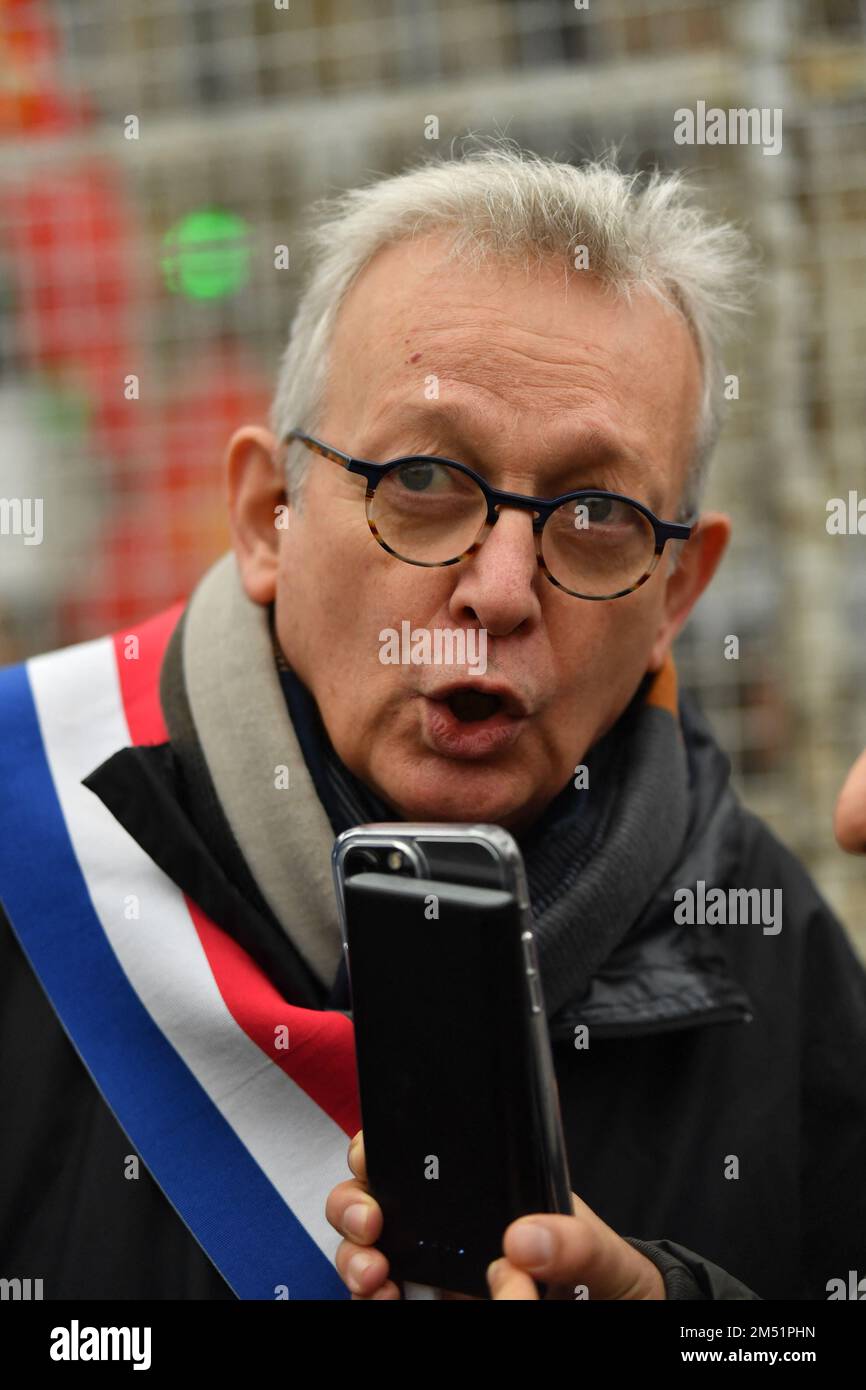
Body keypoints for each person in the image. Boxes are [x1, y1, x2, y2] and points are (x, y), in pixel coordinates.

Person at [1, 145, 864, 1303]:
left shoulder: (767, 947)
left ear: (673, 596)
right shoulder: (24, 830)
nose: (500, 589)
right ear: (269, 516)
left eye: (595, 512)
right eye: (419, 479)